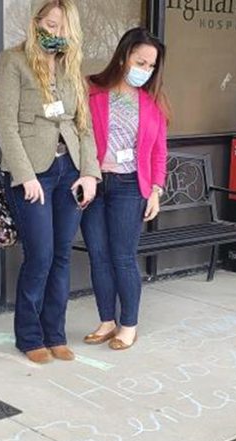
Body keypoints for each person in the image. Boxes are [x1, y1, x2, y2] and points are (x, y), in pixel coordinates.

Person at [0, 0, 100, 364]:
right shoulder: (12, 61)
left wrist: (90, 173)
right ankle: (29, 336)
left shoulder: (71, 67)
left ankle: (55, 334)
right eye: (51, 25)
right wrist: (24, 176)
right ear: (36, 22)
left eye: (63, 28)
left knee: (61, 255)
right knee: (40, 255)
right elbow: (5, 124)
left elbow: (83, 126)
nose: (56, 33)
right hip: (33, 172)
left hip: (69, 170)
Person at [81, 28, 169, 351]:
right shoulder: (91, 91)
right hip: (94, 182)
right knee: (98, 255)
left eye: (151, 66)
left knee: (122, 256)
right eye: (140, 62)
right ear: (123, 57)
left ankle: (128, 324)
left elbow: (159, 151)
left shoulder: (152, 103)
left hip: (130, 185)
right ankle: (107, 321)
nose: (145, 70)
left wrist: (156, 190)